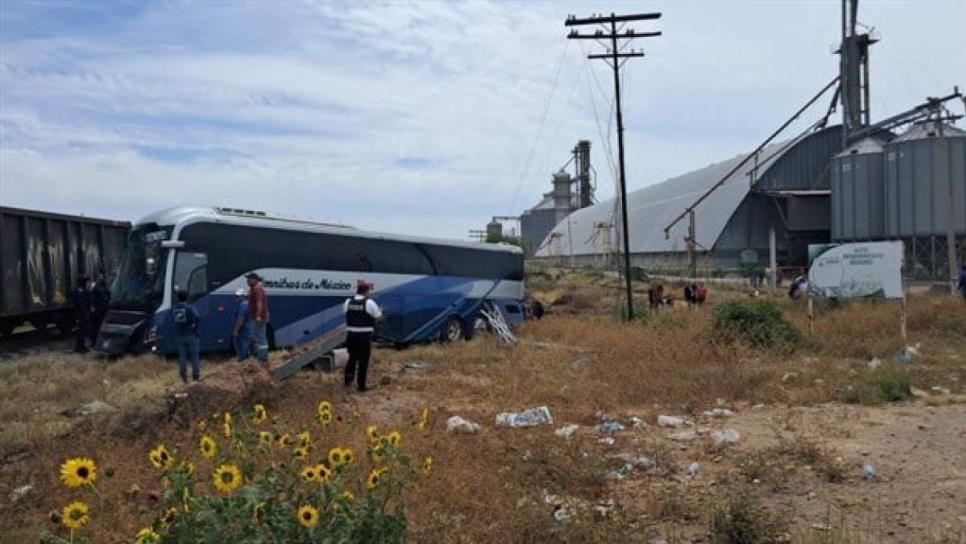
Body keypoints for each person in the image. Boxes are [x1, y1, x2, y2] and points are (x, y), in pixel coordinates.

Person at [343, 280, 383, 393]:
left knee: (352, 358)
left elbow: (346, 315)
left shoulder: (348, 302)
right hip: (364, 336)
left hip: (351, 335)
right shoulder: (369, 302)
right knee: (363, 361)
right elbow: (378, 317)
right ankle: (361, 386)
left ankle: (347, 381)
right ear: (366, 291)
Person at [170, 290, 201, 383]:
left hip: (179, 335)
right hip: (191, 335)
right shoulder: (190, 308)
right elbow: (197, 317)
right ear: (187, 298)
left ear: (178, 298)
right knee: (194, 357)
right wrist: (194, 327)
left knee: (182, 357)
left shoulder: (174, 309)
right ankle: (196, 376)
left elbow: (174, 320)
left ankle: (184, 377)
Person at [246, 273, 270, 362]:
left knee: (260, 337)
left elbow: (259, 303)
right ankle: (259, 355)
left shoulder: (257, 289)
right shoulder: (253, 289)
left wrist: (258, 315)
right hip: (255, 317)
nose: (247, 281)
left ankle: (263, 357)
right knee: (257, 336)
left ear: (255, 280)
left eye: (249, 279)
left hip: (258, 317)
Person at [71, 276, 91, 353]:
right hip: (80, 314)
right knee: (80, 331)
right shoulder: (78, 291)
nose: (86, 283)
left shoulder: (83, 291)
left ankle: (81, 346)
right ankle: (79, 347)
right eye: (85, 282)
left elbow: (87, 303)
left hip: (83, 313)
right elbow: (78, 304)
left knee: (83, 330)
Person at [231, 288, 253, 361]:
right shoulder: (246, 304)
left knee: (242, 348)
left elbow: (241, 318)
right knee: (246, 347)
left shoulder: (243, 305)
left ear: (243, 296)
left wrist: (236, 330)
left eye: (238, 296)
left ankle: (243, 362)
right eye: (236, 296)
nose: (236, 297)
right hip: (247, 330)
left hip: (243, 331)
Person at [90, 274, 110, 343]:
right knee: (97, 326)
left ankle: (97, 340)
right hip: (99, 308)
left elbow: (108, 294)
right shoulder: (95, 287)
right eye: (100, 277)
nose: (101, 279)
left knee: (100, 325)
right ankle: (95, 341)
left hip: (102, 308)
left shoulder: (101, 286)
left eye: (101, 277)